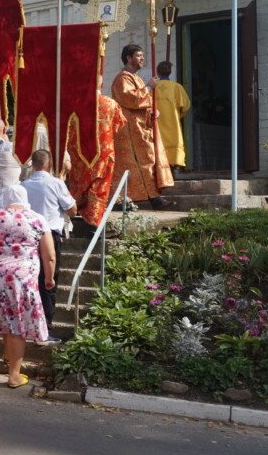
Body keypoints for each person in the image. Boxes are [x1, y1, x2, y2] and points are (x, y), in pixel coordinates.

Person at [0, 185, 56, 388]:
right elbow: (49, 255)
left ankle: (9, 354)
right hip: (21, 276)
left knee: (4, 314)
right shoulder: (37, 219)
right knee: (18, 322)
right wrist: (49, 278)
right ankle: (14, 375)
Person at [21, 149, 77, 340]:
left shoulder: (24, 185)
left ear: (33, 164)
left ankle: (27, 324)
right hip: (50, 235)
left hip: (28, 236)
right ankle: (45, 328)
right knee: (49, 280)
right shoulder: (56, 184)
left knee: (30, 280)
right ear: (50, 164)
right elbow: (72, 210)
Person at [111, 44, 174, 208]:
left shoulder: (137, 78)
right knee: (141, 162)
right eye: (139, 55)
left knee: (148, 161)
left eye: (142, 55)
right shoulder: (122, 78)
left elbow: (145, 101)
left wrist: (154, 111)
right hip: (130, 131)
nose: (142, 58)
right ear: (129, 58)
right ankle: (150, 199)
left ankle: (153, 197)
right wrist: (149, 87)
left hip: (141, 128)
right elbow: (130, 99)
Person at [67, 76, 127, 230]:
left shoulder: (74, 104)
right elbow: (119, 125)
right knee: (99, 182)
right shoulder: (111, 103)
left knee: (81, 180)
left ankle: (77, 209)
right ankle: (93, 221)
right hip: (103, 150)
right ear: (102, 84)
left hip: (80, 152)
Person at [155, 61, 191, 174]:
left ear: (157, 72)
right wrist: (179, 114)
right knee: (174, 143)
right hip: (173, 122)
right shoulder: (176, 87)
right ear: (170, 72)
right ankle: (173, 165)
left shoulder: (153, 87)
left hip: (157, 123)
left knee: (159, 145)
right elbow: (185, 105)